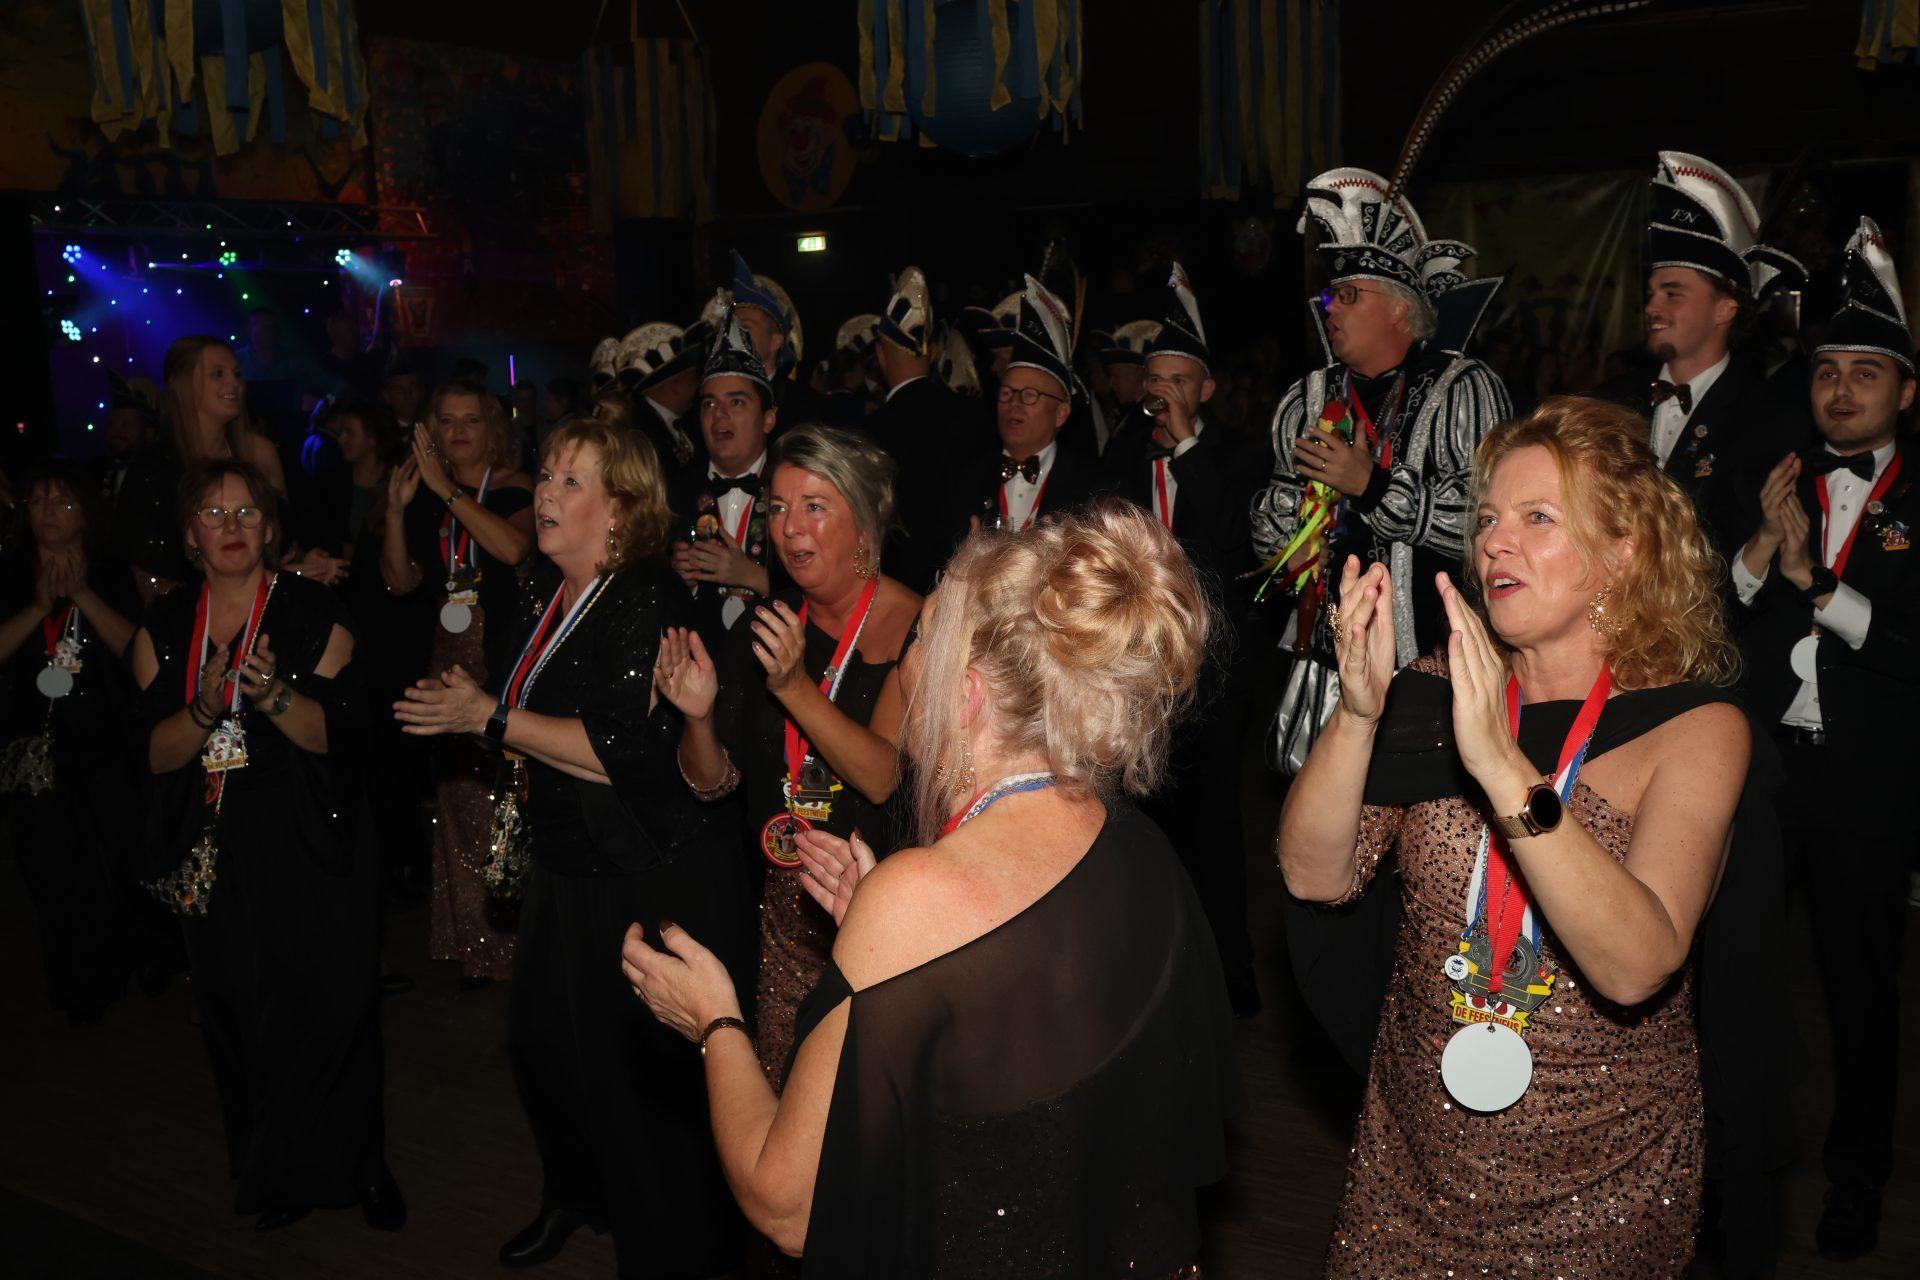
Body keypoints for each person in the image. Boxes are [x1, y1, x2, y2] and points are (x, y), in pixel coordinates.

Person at [627, 499, 1235, 1276]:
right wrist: (894, 947)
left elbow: (786, 1207)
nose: (905, 661)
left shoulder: (915, 893)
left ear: (968, 696)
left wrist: (715, 1019)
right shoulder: (1139, 842)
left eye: (921, 639)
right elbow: (1044, 1036)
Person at [1278, 397, 1752, 1275]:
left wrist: (1502, 766)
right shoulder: (1440, 687)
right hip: (1412, 1154)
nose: (1496, 542)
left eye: (1538, 518)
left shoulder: (1695, 728)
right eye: (1489, 518)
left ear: (1625, 549)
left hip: (1603, 1175)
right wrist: (1358, 714)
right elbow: (1313, 875)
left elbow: (1638, 963)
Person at [395, 417, 749, 1275]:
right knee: (546, 1046)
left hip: (642, 869)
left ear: (619, 510)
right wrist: (481, 703)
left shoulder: (645, 597)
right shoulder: (544, 592)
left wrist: (489, 716)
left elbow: (618, 750)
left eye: (568, 482)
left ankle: (670, 1248)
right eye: (546, 476)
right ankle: (580, 1195)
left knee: (642, 1082)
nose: (545, 495)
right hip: (568, 857)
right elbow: (526, 707)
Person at [130, 459, 398, 1231]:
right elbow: (153, 756)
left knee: (337, 1003)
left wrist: (273, 694)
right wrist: (208, 704)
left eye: (246, 513)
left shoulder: (312, 611)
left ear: (270, 527)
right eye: (213, 515)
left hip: (310, 831)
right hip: (217, 844)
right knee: (239, 1009)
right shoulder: (163, 628)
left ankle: (362, 1163)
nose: (231, 528)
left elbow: (338, 739)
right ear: (189, 535)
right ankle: (274, 1169)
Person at [1731, 216, 1919, 1263]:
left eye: (1866, 373)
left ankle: (1857, 1182)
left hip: (1866, 782)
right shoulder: (1779, 471)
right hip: (1765, 775)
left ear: (1907, 393)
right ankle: (1737, 1167)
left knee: (1860, 994)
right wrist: (1764, 547)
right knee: (1743, 982)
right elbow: (1721, 613)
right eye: (1827, 371)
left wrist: (1817, 582)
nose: (1841, 390)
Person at [659, 421, 918, 1092]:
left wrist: (795, 688)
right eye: (777, 507)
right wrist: (696, 717)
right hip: (785, 916)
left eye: (814, 506)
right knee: (786, 1105)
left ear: (865, 520)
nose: (789, 527)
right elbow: (714, 783)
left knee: (871, 1106)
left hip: (883, 916)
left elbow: (882, 776)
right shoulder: (766, 626)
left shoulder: (917, 628)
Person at [1251, 167, 1512, 777]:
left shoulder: (1462, 388)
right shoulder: (1308, 396)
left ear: (1399, 309)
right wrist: (1289, 538)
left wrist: (1369, 485)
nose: (1330, 308)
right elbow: (1270, 518)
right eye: (1329, 296)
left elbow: (1485, 524)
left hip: (1434, 669)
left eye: (1349, 296)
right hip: (1328, 660)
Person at [1106, 264, 1270, 1015]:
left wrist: (1187, 449)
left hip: (1213, 670)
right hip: (1134, 667)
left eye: (1178, 380)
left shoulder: (1238, 455)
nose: (1161, 392)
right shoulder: (1120, 453)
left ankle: (1229, 975)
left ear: (1205, 389)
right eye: (1153, 380)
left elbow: (1239, 535)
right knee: (1140, 823)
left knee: (1213, 826)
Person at [380, 379, 535, 987]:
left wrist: (447, 491)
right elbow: (399, 582)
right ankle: (475, 946)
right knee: (457, 802)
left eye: (472, 419)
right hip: (447, 658)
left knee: (505, 801)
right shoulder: (424, 497)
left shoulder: (518, 488)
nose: (460, 431)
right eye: (447, 421)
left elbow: (513, 548)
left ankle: (518, 944)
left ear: (492, 428)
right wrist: (397, 510)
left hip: (503, 657)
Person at [1594, 151, 1812, 560]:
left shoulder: (1768, 419)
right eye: (1651, 294)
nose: (1651, 307)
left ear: (1724, 309)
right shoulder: (1606, 402)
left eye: (1672, 294)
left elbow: (1748, 550)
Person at [0, 468, 143, 1024]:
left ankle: (139, 956)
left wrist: (82, 594)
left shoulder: (108, 571)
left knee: (122, 852)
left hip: (107, 738)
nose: (48, 509)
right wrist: (39, 607)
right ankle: (81, 988)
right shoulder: (11, 573)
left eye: (62, 500)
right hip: (34, 743)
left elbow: (137, 652)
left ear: (85, 511)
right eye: (37, 500)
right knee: (53, 868)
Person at [938, 275, 1115, 550]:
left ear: (1061, 413)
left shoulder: (1093, 489)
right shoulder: (966, 480)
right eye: (1007, 393)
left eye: (1030, 395)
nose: (1014, 403)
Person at [861, 266, 993, 592]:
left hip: (893, 591)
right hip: (962, 584)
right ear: (933, 353)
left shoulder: (868, 434)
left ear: (880, 355)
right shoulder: (976, 417)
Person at [667, 306, 787, 648]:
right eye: (709, 404)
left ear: (768, 419)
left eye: (737, 402)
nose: (719, 415)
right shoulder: (674, 494)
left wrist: (753, 576)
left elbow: (829, 593)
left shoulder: (793, 490)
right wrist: (678, 578)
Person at [730, 249, 834, 428]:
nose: (734, 334)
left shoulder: (807, 408)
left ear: (775, 341)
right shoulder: (714, 399)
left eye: (746, 327)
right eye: (731, 327)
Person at [615, 321, 703, 470]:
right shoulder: (641, 437)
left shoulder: (687, 421)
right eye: (693, 377)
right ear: (676, 385)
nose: (699, 384)